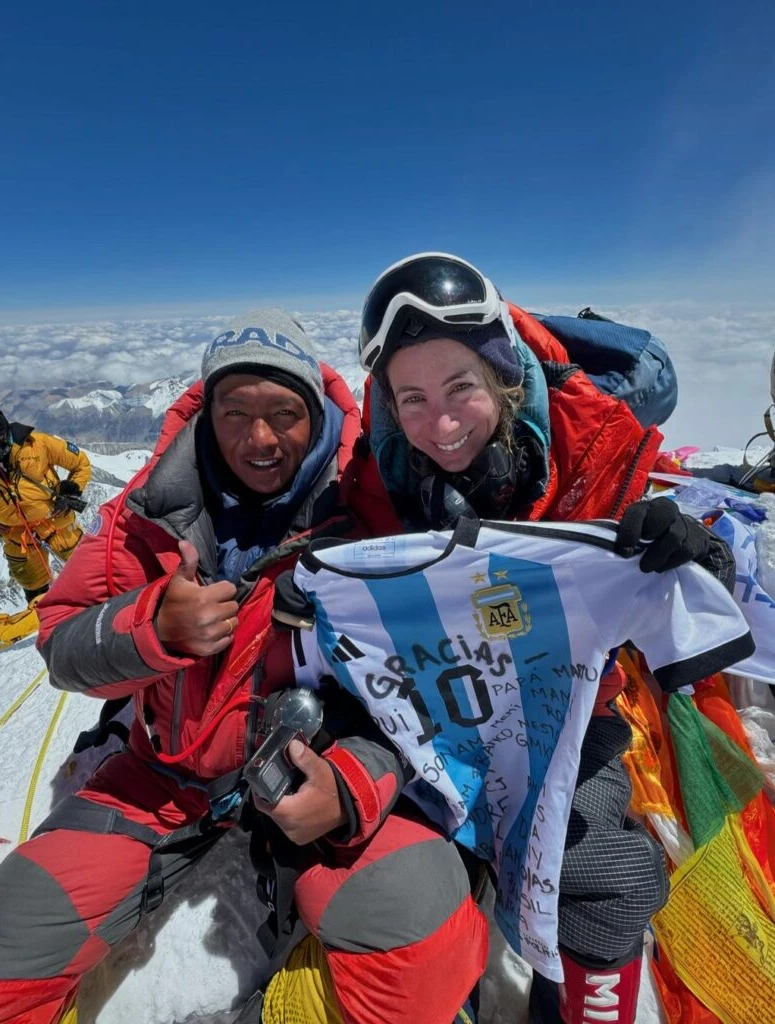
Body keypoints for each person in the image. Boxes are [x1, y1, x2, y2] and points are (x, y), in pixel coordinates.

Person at [0, 311, 487, 1024]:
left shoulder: (374, 524)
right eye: (234, 413)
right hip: (160, 778)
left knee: (422, 930)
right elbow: (62, 646)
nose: (258, 438)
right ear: (205, 418)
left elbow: (434, 685)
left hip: (317, 771)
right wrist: (151, 629)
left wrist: (358, 780)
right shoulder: (144, 519)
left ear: (320, 415)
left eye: (283, 414)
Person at [353, 253, 735, 1024]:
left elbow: (698, 596)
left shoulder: (591, 449)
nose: (443, 425)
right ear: (388, 410)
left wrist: (689, 553)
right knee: (400, 890)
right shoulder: (374, 482)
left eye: (461, 388)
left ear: (503, 380)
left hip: (563, 710)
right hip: (432, 712)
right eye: (413, 400)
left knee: (605, 880)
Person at [0, 399, 91, 602]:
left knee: (89, 571)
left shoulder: (38, 444)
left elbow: (80, 463)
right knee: (34, 588)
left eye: (0, 437)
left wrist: (71, 491)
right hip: (17, 537)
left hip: (57, 525)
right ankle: (43, 625)